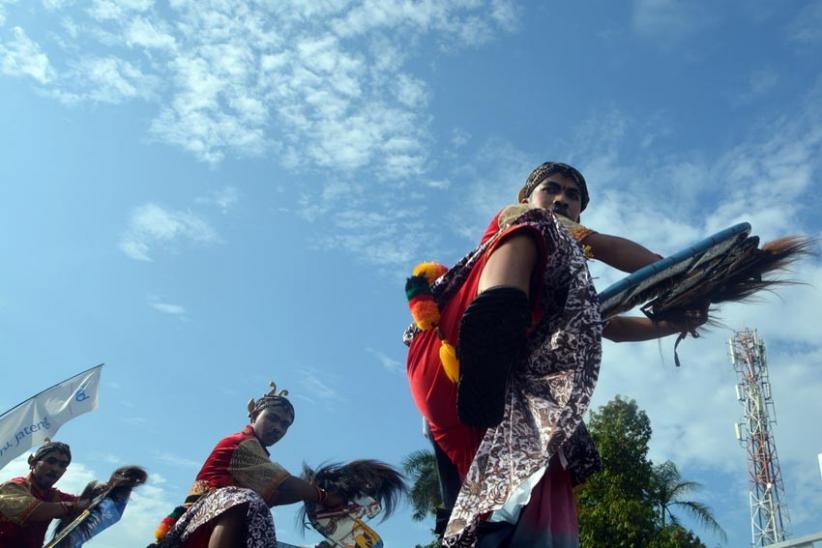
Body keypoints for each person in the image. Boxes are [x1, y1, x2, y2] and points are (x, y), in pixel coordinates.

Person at [404, 162, 707, 547]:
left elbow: (607, 326)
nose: (561, 199)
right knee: (534, 226)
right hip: (452, 354)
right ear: (525, 195)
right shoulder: (520, 221)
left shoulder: (565, 286)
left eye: (573, 195)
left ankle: (474, 529)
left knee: (511, 503)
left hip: (485, 409)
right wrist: (693, 276)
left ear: (580, 210)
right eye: (552, 188)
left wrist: (675, 324)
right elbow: (608, 247)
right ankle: (493, 323)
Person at [153, 382, 347, 548]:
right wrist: (324, 496)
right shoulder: (241, 443)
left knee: (258, 512)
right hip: (194, 526)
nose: (278, 427)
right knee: (245, 500)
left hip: (213, 528)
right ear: (254, 414)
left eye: (285, 424)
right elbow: (284, 484)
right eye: (272, 418)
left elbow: (279, 494)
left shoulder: (259, 459)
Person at [0, 440, 92, 547]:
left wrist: (111, 486)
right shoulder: (13, 487)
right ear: (34, 462)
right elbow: (35, 512)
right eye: (51, 461)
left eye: (62, 465)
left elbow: (85, 502)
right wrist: (72, 506)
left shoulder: (52, 496)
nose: (55, 469)